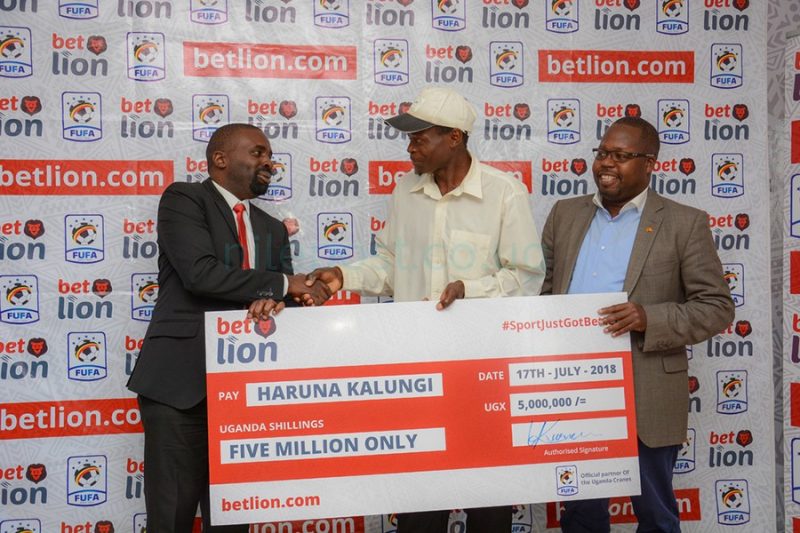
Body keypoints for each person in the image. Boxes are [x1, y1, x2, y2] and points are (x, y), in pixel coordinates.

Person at [307, 86, 546, 533]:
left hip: (481, 371)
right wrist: (342, 277)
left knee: (488, 500)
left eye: (420, 138)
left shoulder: (504, 192)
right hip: (417, 368)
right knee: (419, 498)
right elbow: (391, 266)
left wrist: (469, 291)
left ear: (454, 138)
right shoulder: (406, 191)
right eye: (410, 138)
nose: (410, 148)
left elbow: (527, 277)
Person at [127, 123, 329, 532]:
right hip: (180, 389)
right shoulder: (184, 199)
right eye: (257, 153)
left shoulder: (272, 228)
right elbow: (199, 274)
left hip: (244, 395)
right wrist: (282, 285)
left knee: (233, 519)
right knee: (170, 518)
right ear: (220, 159)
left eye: (270, 155)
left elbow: (284, 298)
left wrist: (285, 300)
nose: (269, 162)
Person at [541, 116, 735, 533]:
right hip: (576, 390)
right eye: (603, 153)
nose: (607, 164)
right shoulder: (564, 214)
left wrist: (649, 317)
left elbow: (717, 307)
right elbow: (543, 291)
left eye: (621, 155)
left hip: (646, 390)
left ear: (650, 164)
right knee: (581, 514)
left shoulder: (684, 222)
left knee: (655, 515)